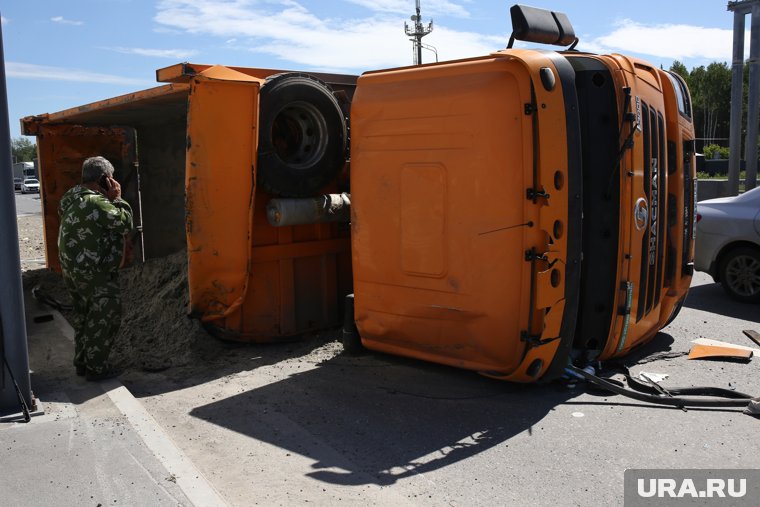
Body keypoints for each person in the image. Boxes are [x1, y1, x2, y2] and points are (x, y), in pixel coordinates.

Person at [58, 156, 133, 381]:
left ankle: (83, 362)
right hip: (95, 272)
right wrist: (117, 198)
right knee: (104, 317)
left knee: (84, 315)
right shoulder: (96, 202)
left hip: (73, 270)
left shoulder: (69, 197)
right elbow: (124, 223)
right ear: (104, 179)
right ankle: (96, 368)